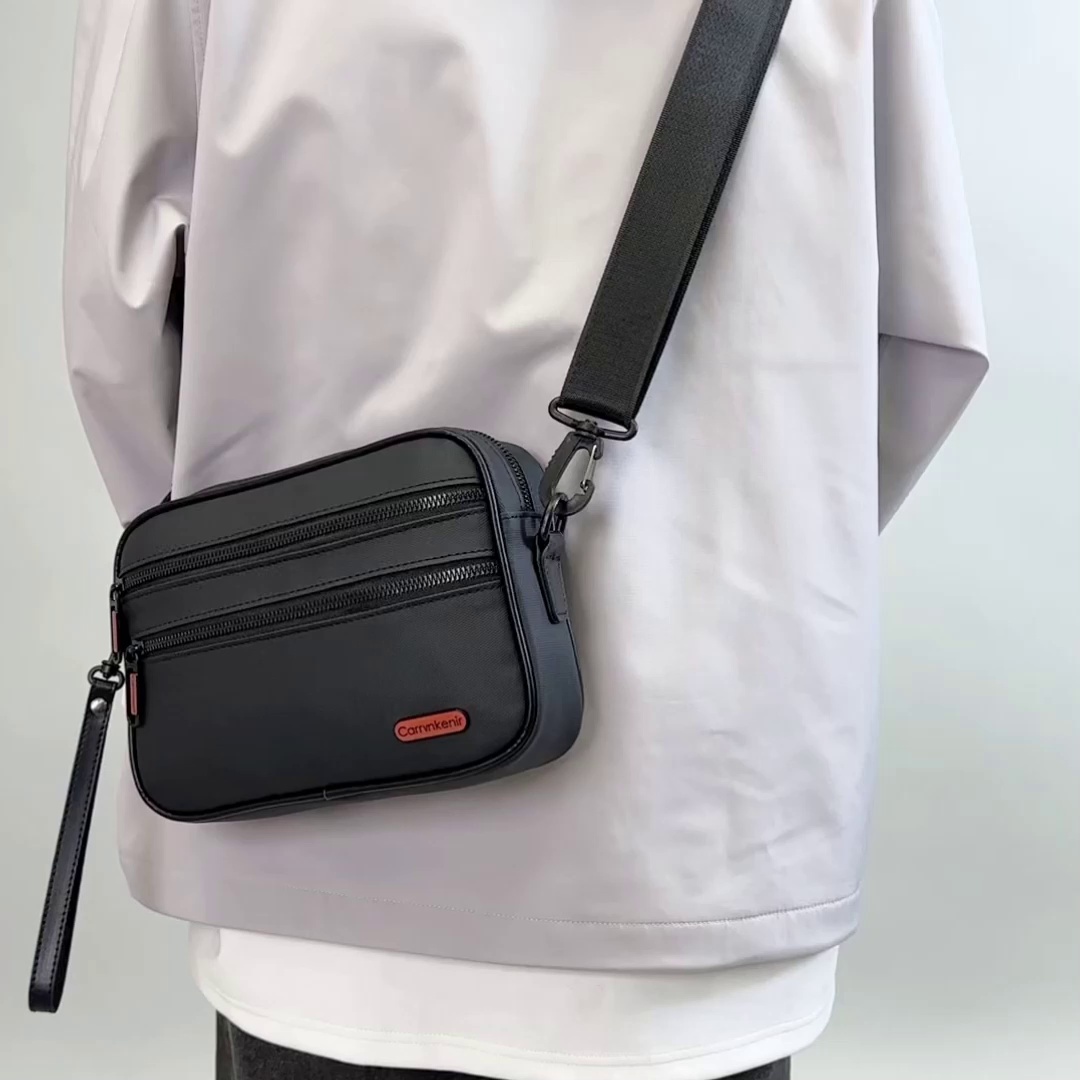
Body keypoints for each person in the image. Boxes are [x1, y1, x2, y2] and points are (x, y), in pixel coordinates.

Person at [62, 1, 987, 1078]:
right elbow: (926, 342)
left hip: (308, 817)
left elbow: (115, 328)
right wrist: (743, 579)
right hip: (691, 834)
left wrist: (254, 615)